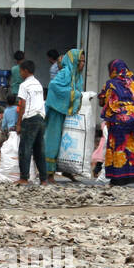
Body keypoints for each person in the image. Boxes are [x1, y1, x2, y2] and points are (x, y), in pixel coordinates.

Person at [97, 59, 134, 187]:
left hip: (120, 122)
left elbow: (101, 101)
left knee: (119, 149)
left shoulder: (111, 83)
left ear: (113, 71)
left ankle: (117, 179)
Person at [44, 48, 85, 177]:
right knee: (53, 140)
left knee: (67, 141)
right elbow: (53, 86)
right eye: (81, 61)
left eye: (84, 61)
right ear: (75, 61)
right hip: (57, 110)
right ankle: (48, 173)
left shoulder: (77, 76)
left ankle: (64, 169)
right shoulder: (65, 73)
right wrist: (75, 94)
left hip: (66, 110)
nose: (83, 64)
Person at [14, 59, 47, 184]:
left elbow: (22, 104)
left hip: (30, 118)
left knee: (25, 148)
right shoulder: (38, 83)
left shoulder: (24, 85)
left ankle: (24, 178)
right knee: (39, 149)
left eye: (21, 71)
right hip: (41, 117)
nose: (20, 73)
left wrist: (18, 124)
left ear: (25, 71)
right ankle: (43, 179)